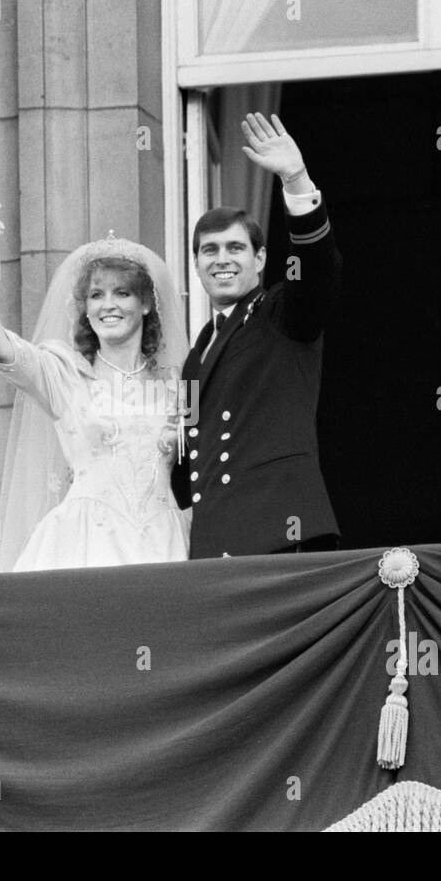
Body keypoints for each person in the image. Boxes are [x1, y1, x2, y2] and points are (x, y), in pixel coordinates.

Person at [0, 211, 191, 571]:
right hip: (84, 542)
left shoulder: (185, 384)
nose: (107, 304)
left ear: (145, 304)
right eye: (96, 295)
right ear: (86, 310)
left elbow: (203, 463)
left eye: (122, 293)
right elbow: (1, 348)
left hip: (164, 541)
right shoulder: (63, 373)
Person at [171, 112, 343, 558]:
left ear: (261, 258)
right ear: (196, 264)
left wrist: (296, 179)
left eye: (235, 248)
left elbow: (319, 271)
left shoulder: (281, 312)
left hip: (281, 530)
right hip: (215, 544)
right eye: (209, 250)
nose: (221, 259)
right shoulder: (194, 357)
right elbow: (187, 462)